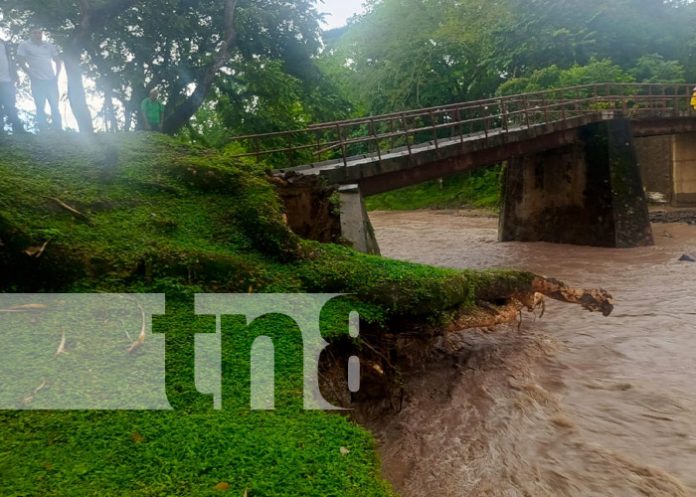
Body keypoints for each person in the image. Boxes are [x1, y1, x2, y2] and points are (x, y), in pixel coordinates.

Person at [17, 29, 62, 130]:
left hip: (51, 80)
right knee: (40, 106)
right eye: (35, 32)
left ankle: (59, 130)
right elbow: (20, 60)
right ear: (30, 33)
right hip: (37, 81)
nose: (38, 34)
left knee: (55, 106)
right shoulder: (24, 45)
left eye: (40, 32)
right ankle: (43, 131)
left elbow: (58, 60)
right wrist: (31, 75)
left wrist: (57, 76)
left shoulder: (49, 45)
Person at [0, 39, 25, 133]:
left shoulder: (4, 44)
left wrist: (16, 75)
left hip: (7, 81)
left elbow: (10, 61)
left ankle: (18, 130)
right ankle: (1, 132)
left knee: (11, 105)